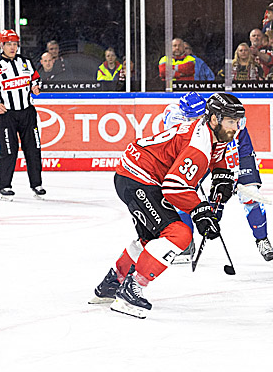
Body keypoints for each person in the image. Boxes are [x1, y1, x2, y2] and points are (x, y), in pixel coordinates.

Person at [89, 93, 245, 318]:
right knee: (179, 234)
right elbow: (174, 187)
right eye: (231, 121)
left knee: (152, 240)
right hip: (138, 179)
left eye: (238, 121)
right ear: (213, 119)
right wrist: (200, 211)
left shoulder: (214, 133)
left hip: (133, 174)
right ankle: (130, 292)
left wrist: (222, 176)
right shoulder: (199, 145)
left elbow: (217, 154)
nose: (236, 127)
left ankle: (113, 283)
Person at [162, 92, 273, 262]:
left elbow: (228, 162)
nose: (200, 120)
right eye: (195, 117)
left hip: (236, 151)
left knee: (249, 194)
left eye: (202, 115)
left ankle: (262, 239)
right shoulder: (173, 116)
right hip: (204, 150)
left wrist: (220, 200)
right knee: (180, 191)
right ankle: (185, 245)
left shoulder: (226, 121)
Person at [0, 29, 46, 199]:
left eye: (15, 44)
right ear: (1, 45)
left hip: (27, 113)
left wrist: (36, 86)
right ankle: (5, 186)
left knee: (33, 149)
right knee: (9, 151)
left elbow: (36, 78)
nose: (12, 47)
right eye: (8, 44)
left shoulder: (26, 62)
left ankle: (36, 184)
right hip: (6, 116)